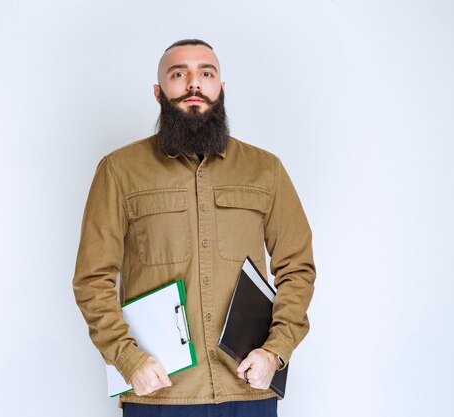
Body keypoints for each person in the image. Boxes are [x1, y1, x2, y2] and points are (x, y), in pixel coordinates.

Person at [73, 39, 315, 417]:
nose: (193, 84)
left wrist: (275, 351)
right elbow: (92, 279)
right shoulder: (119, 171)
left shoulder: (265, 170)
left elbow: (297, 268)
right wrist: (128, 359)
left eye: (206, 73)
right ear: (158, 91)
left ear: (221, 88)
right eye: (178, 74)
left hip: (247, 387)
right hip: (160, 394)